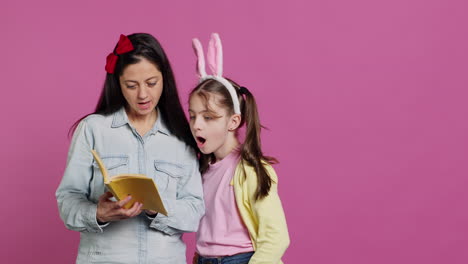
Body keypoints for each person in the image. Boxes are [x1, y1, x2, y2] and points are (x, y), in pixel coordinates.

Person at [56, 33, 204, 264]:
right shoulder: (92, 129)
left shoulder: (181, 136)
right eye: (132, 85)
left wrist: (157, 209)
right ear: (118, 83)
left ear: (165, 79)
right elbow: (67, 199)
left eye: (151, 83)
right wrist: (98, 213)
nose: (143, 94)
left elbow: (195, 211)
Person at [188, 33, 290, 264]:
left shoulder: (250, 170)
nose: (197, 125)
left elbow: (276, 237)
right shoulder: (202, 169)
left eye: (208, 117)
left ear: (233, 121)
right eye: (193, 116)